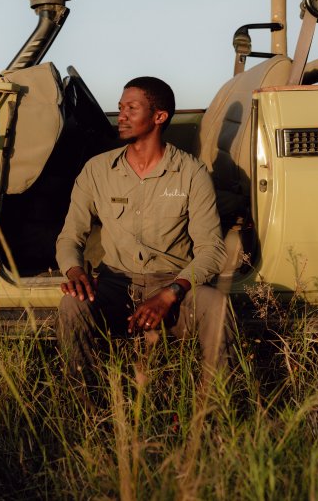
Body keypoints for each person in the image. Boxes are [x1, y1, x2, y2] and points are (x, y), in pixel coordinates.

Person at [55, 76, 231, 388]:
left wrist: (170, 294)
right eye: (120, 108)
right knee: (72, 304)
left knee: (215, 304)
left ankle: (214, 410)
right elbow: (71, 234)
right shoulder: (97, 170)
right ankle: (85, 407)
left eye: (131, 109)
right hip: (115, 284)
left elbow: (212, 249)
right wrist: (74, 269)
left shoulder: (192, 172)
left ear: (159, 117)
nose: (121, 116)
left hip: (173, 285)